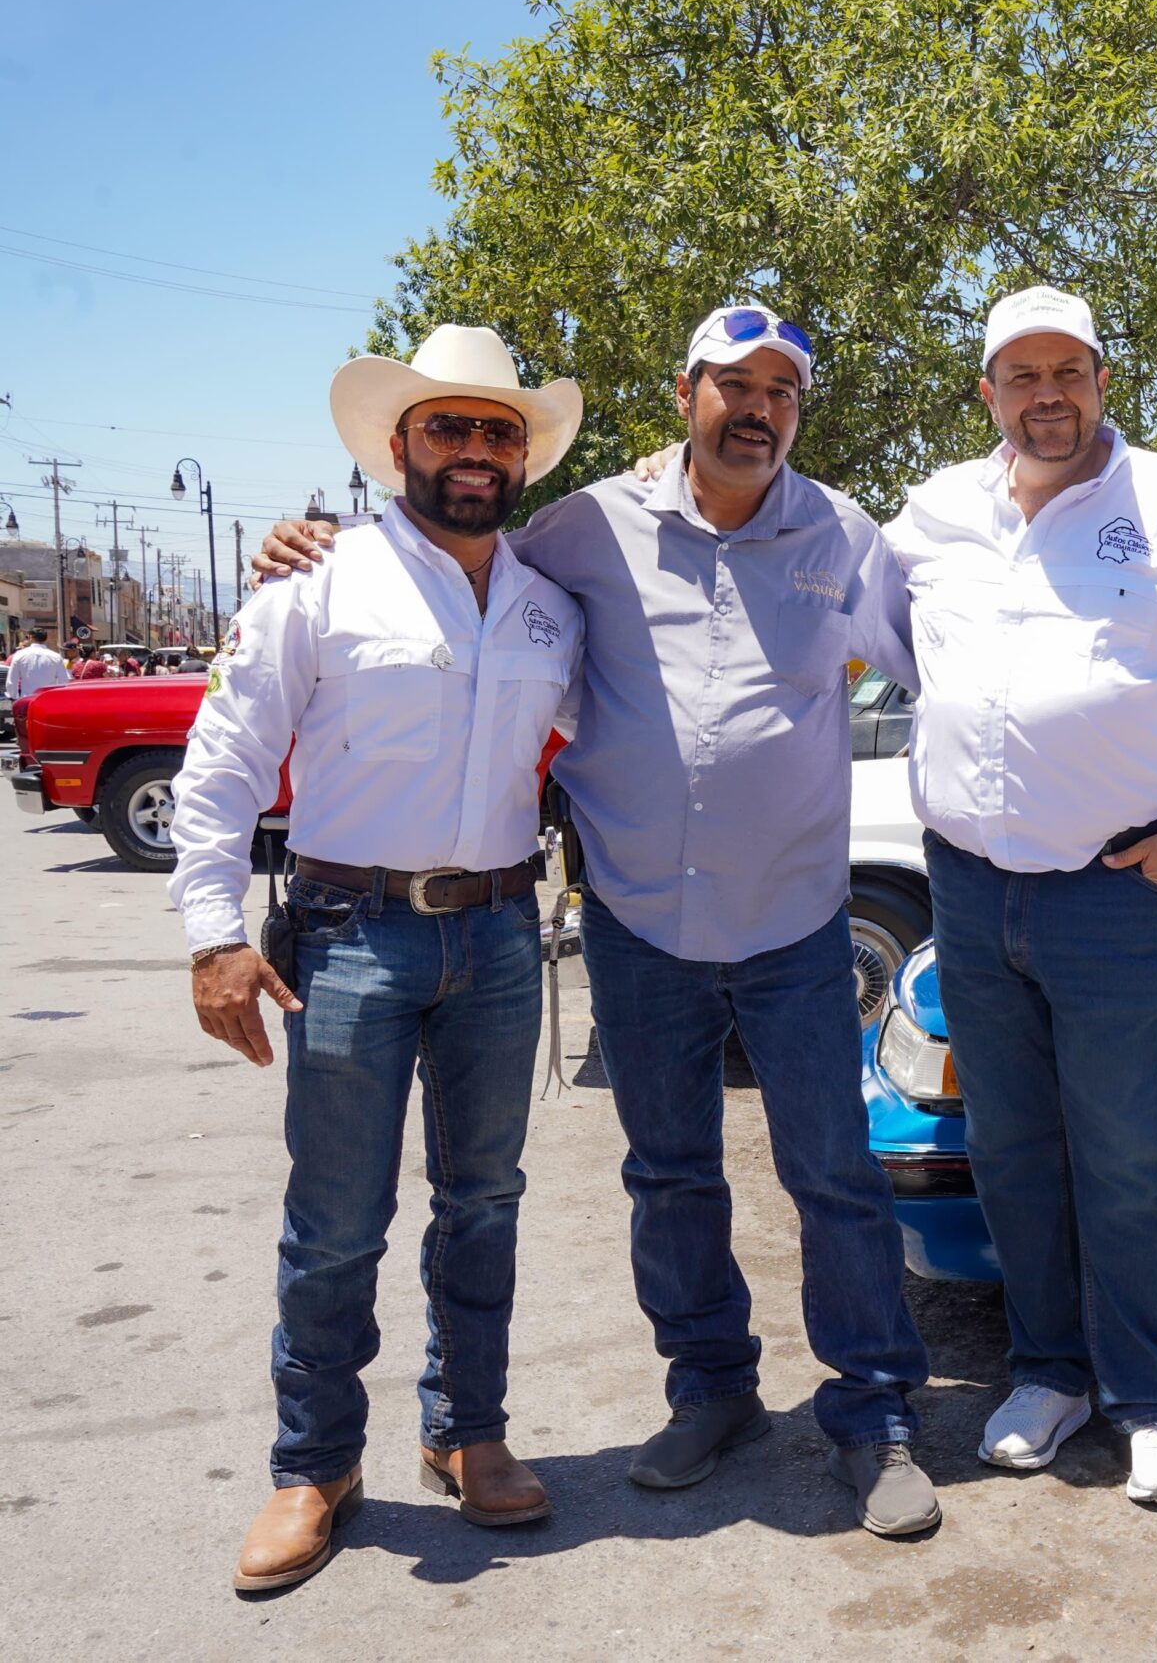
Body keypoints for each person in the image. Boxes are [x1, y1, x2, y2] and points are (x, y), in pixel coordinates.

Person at [254, 304, 940, 1537]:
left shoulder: (845, 536)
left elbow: (947, 663)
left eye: (781, 392)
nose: (758, 410)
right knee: (667, 1173)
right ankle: (711, 1388)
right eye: (734, 386)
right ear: (685, 394)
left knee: (833, 1171)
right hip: (636, 916)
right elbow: (455, 564)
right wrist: (309, 545)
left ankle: (875, 1410)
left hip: (792, 918)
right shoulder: (584, 527)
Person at [171, 325, 585, 1592]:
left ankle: (467, 1430)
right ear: (398, 445)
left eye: (498, 429)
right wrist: (213, 934)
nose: (475, 450)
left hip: (500, 934)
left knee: (485, 1199)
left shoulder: (550, 606)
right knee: (336, 1217)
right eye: (448, 426)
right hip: (348, 933)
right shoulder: (315, 581)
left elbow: (612, 734)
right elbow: (225, 759)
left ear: (524, 455)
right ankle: (314, 1464)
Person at [886, 285, 1157, 1508]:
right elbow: (851, 609)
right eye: (1023, 375)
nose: (1047, 395)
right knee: (1011, 1150)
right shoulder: (934, 512)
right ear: (988, 393)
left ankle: (1155, 1400)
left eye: (1069, 371)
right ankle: (1048, 1375)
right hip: (971, 890)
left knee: (1132, 1157)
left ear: (1104, 381)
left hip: (1121, 892)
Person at [5, 625, 69, 698]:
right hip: (48, 698)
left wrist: (13, 697)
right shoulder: (56, 657)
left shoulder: (19, 655)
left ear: (31, 637)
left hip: (27, 699)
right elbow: (63, 681)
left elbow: (12, 680)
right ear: (46, 639)